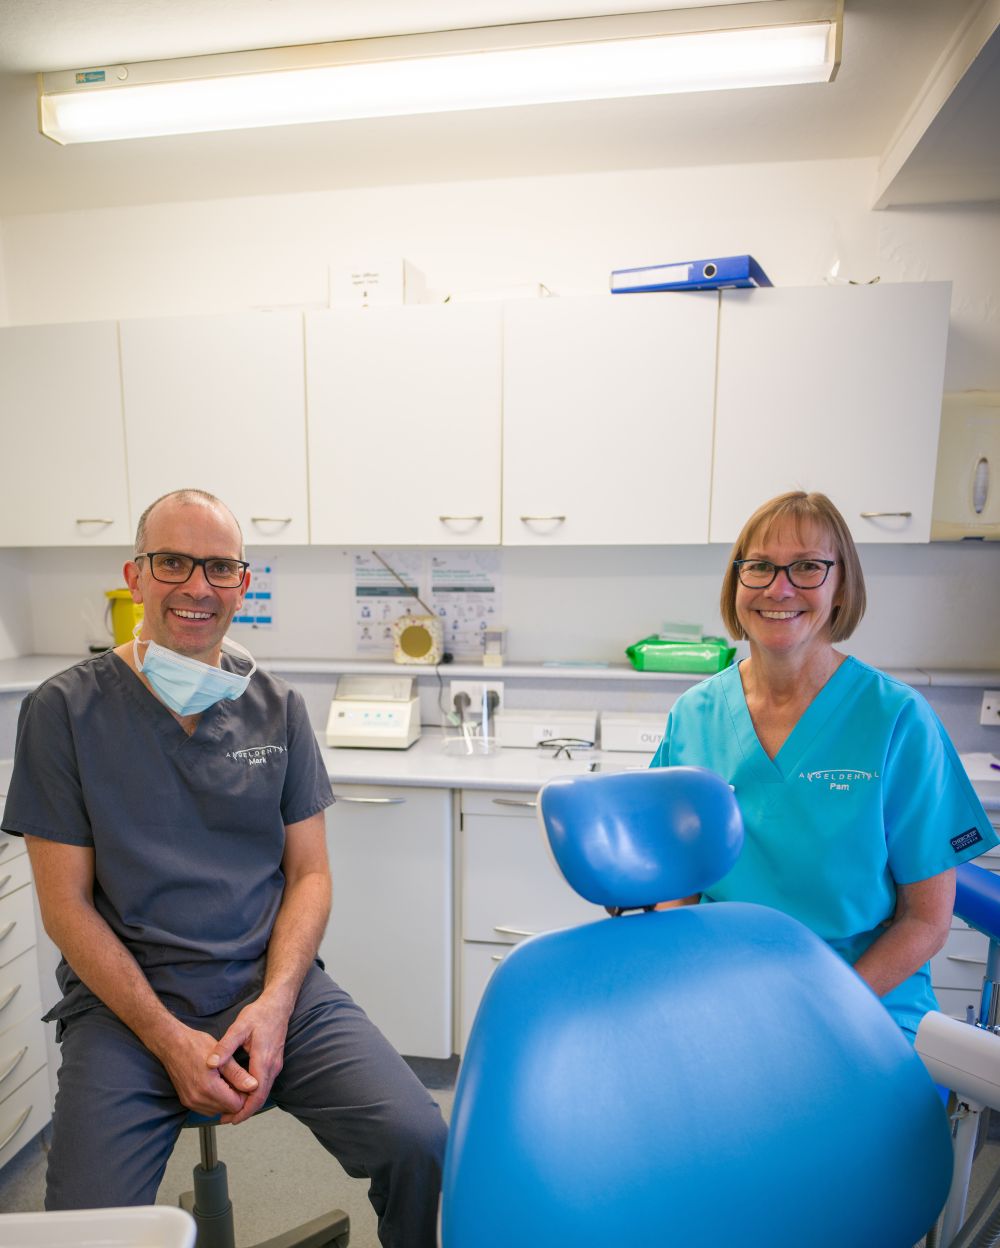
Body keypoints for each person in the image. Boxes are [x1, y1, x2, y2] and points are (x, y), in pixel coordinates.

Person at [1, 488, 447, 1247]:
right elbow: (66, 906)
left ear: (243, 584)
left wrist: (275, 1006)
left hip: (272, 987)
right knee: (84, 1228)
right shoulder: (62, 712)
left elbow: (309, 875)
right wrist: (169, 1038)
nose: (196, 587)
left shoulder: (277, 708)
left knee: (420, 1141)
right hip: (126, 1009)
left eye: (218, 567)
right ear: (135, 576)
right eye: (172, 563)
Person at [650, 490, 998, 1039]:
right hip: (723, 987)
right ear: (736, 583)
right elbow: (678, 882)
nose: (778, 587)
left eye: (807, 567)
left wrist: (826, 1007)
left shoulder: (896, 719)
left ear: (841, 588)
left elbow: (926, 922)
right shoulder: (695, 714)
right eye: (759, 566)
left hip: (862, 998)